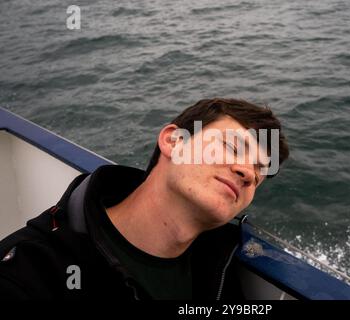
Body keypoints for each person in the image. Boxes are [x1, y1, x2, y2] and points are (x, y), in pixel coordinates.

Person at [0, 98, 289, 300]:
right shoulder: (30, 271)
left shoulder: (221, 264)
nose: (247, 173)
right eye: (231, 147)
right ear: (173, 141)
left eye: (258, 173)